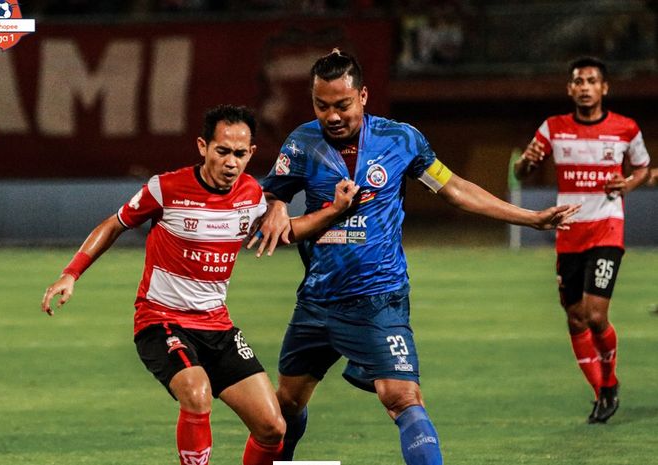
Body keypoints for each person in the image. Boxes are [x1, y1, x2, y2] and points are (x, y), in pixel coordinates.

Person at [248, 49, 579, 465]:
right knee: (286, 406)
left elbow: (454, 188)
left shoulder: (400, 139)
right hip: (316, 300)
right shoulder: (301, 142)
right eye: (322, 105)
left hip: (378, 298)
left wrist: (529, 217)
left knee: (402, 397)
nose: (332, 116)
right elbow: (268, 193)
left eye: (342, 105)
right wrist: (275, 202)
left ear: (364, 96)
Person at [41, 104, 359, 465]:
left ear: (251, 153)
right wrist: (71, 273)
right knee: (197, 392)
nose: (230, 162)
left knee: (273, 427)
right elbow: (114, 224)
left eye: (240, 154)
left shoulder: (251, 195)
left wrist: (334, 210)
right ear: (202, 146)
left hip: (217, 328)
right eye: (222, 150)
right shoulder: (166, 189)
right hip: (161, 321)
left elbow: (284, 232)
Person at [514, 57, 650, 424]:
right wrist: (527, 161)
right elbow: (521, 170)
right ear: (570, 88)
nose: (585, 87)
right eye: (579, 81)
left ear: (604, 88)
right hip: (570, 231)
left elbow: (643, 169)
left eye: (592, 81)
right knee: (575, 319)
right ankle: (603, 391)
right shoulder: (553, 128)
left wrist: (629, 183)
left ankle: (608, 383)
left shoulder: (625, 128)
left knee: (594, 314)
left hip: (607, 227)